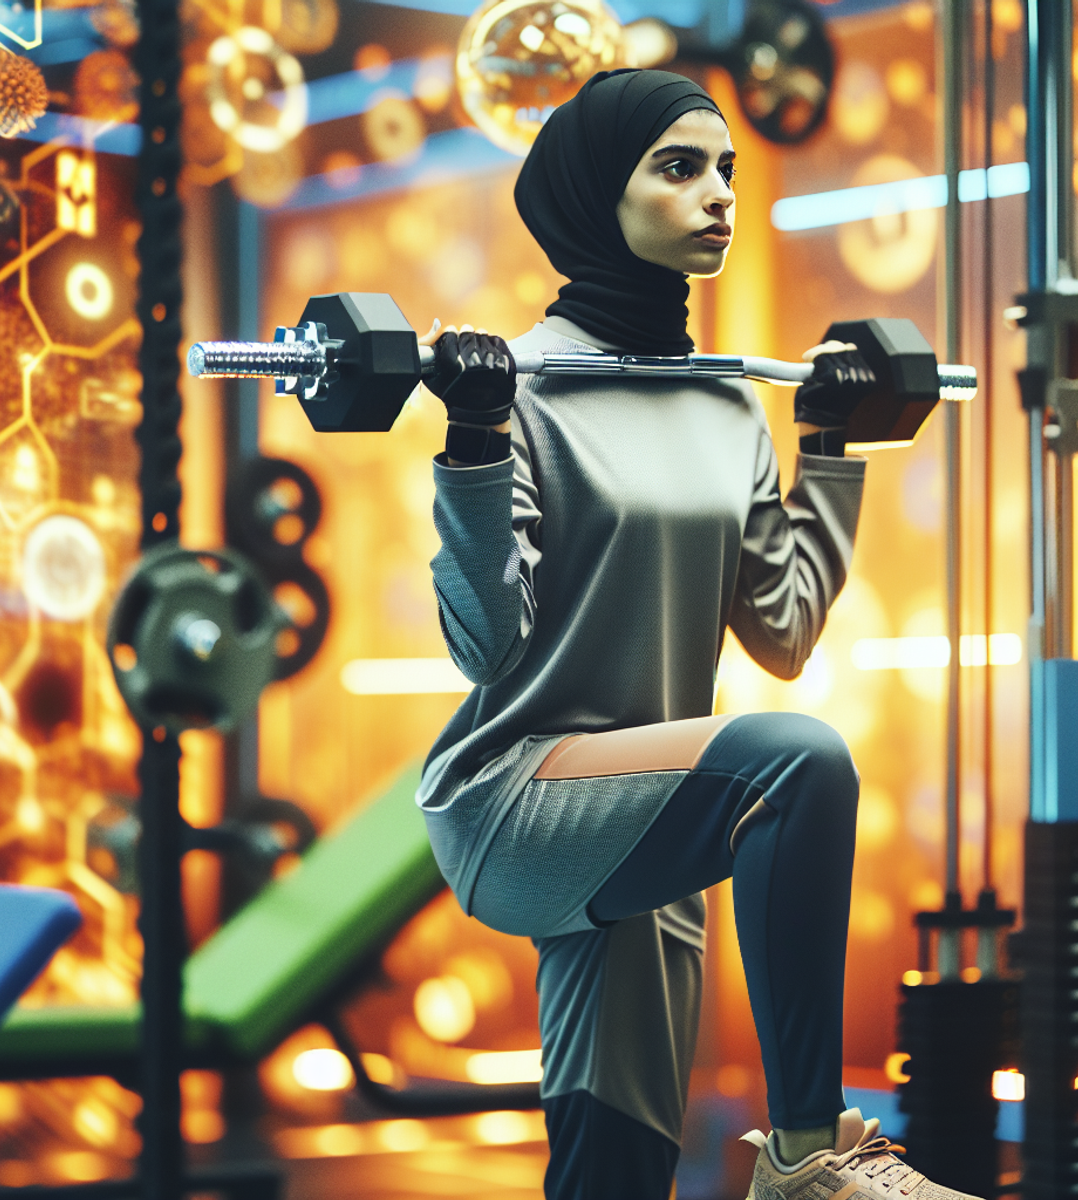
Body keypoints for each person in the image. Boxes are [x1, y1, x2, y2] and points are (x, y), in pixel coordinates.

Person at [415, 69, 977, 1200]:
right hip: (518, 801)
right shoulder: (517, 388)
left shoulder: (729, 404)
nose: (719, 193)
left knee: (616, 1164)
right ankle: (811, 1153)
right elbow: (485, 646)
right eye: (679, 168)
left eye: (725, 167)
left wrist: (828, 443)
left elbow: (782, 628)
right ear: (594, 197)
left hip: (656, 815)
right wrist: (472, 442)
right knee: (798, 762)